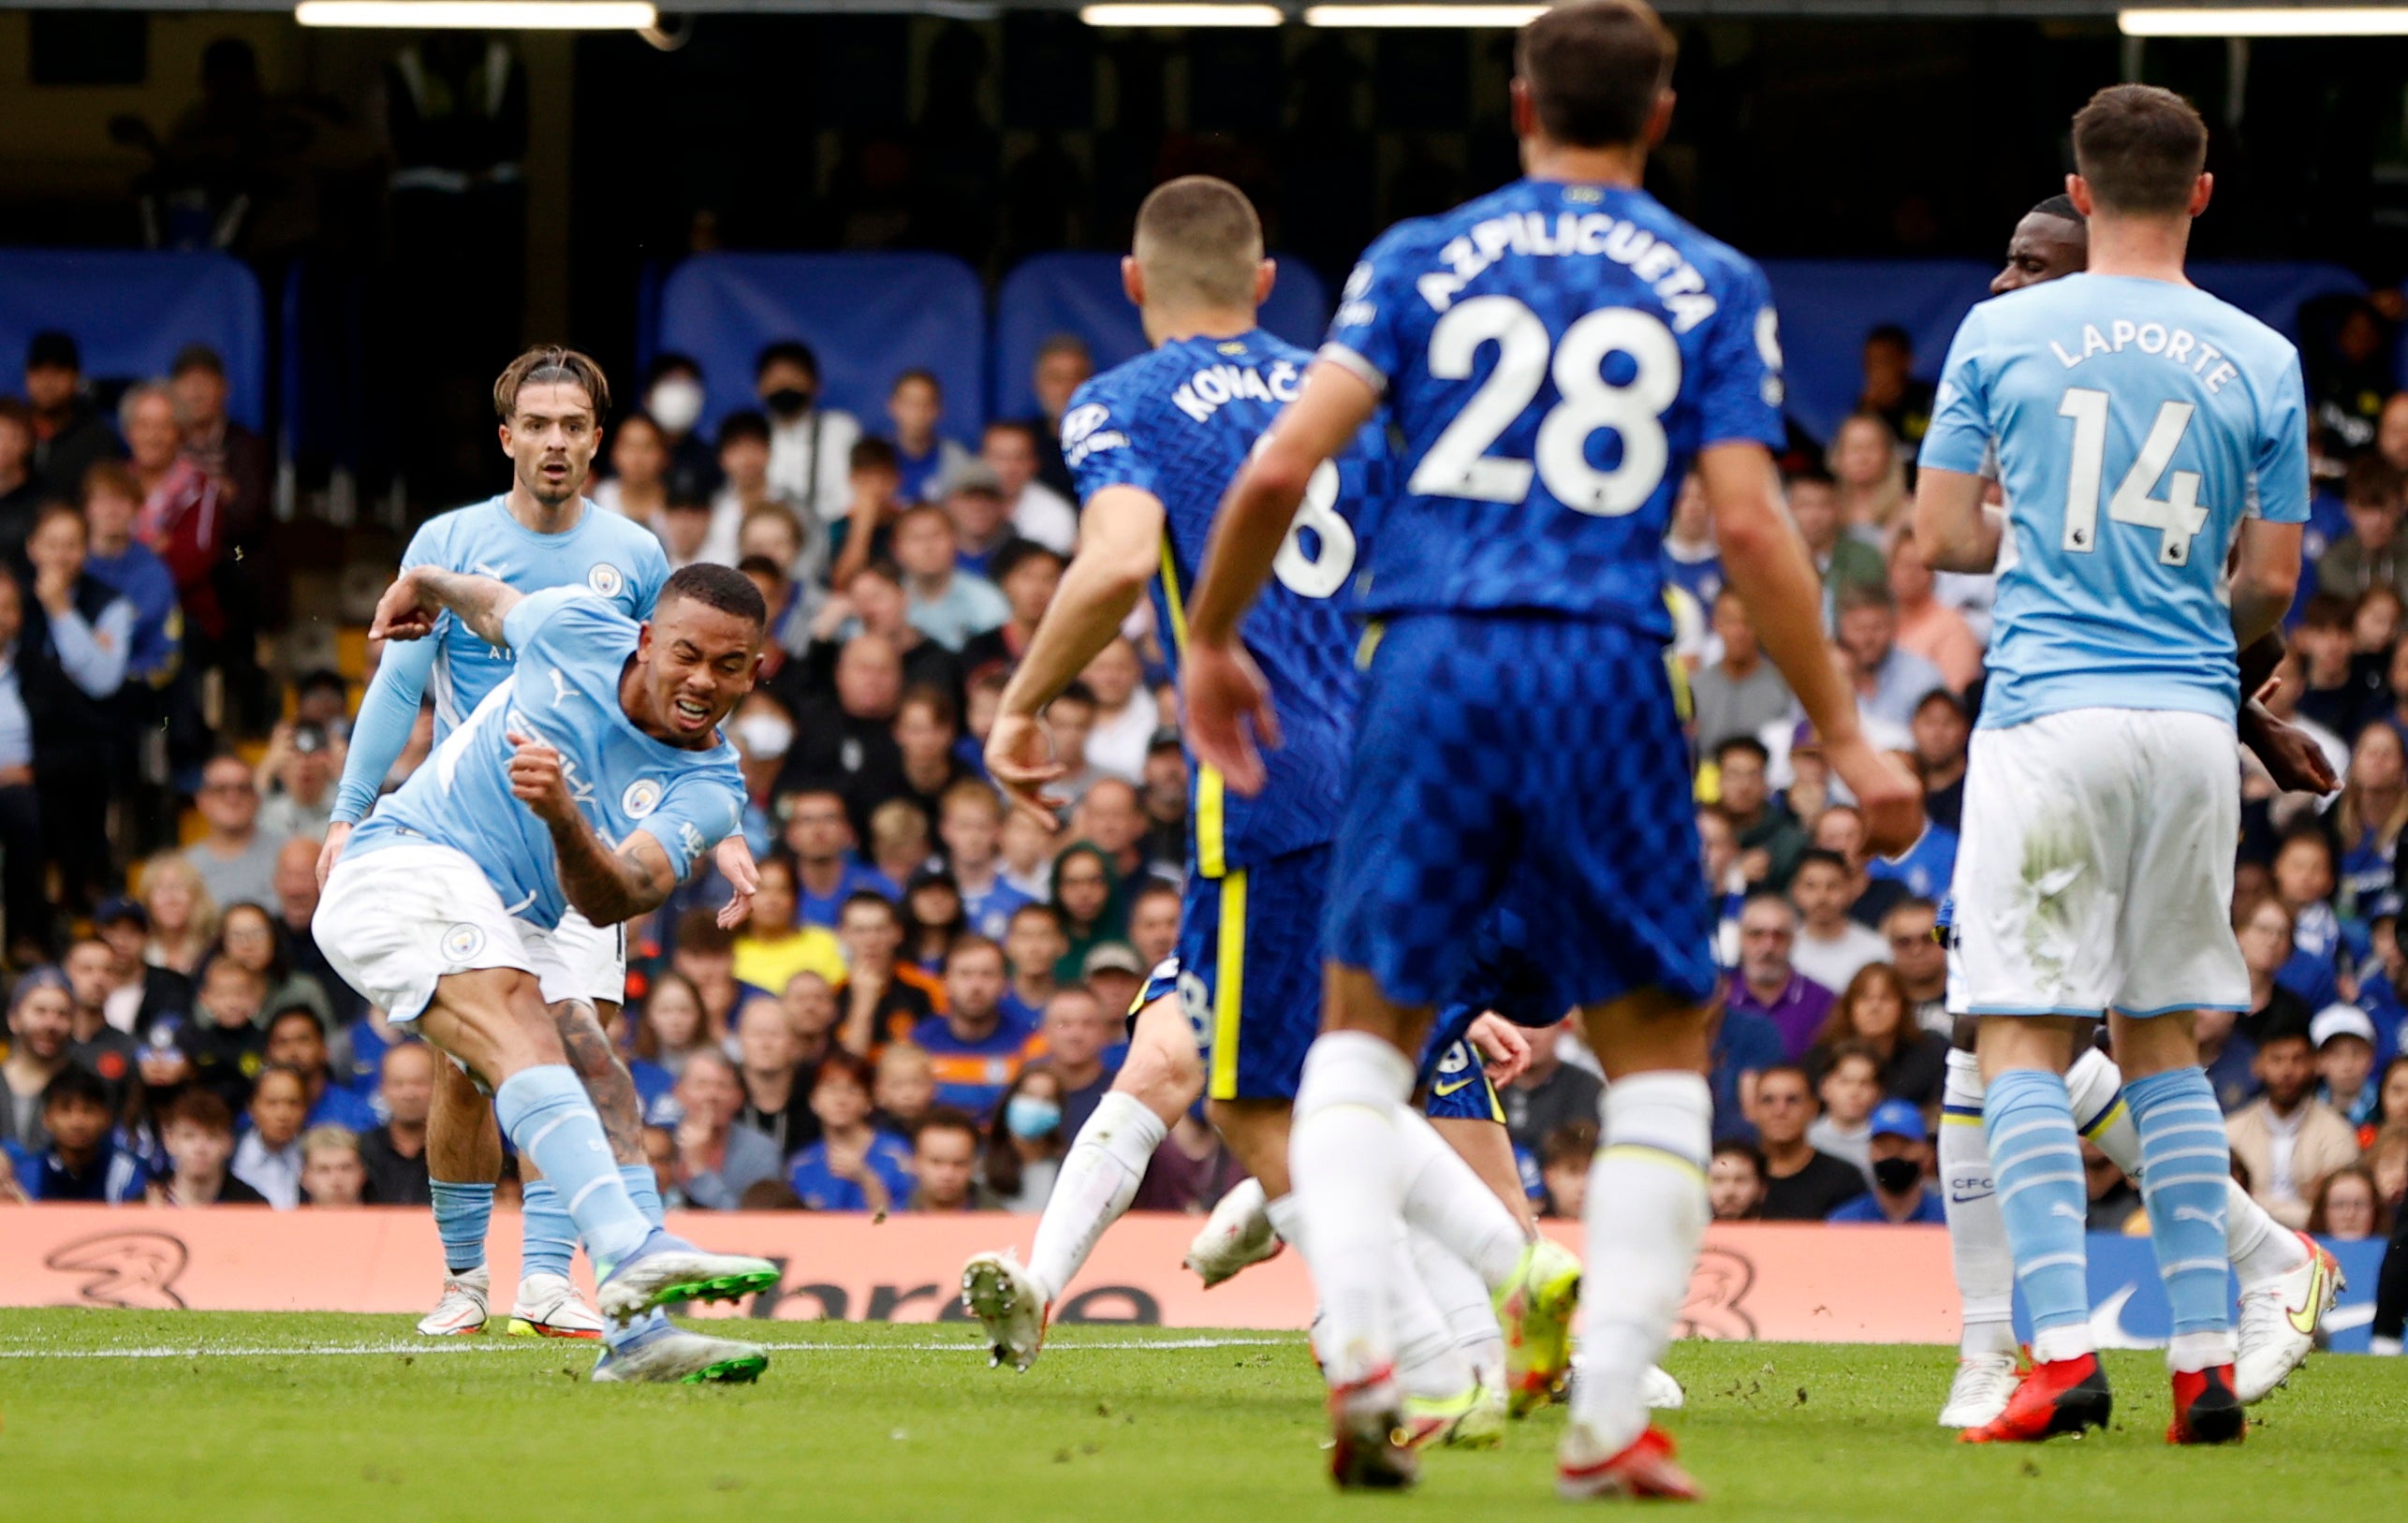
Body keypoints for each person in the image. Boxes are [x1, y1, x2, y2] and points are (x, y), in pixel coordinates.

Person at [1182, 12, 1920, 1492]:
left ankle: (1370, 1357)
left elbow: (1275, 462)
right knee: (1655, 1042)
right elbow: (1757, 524)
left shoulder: (1415, 255)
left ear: (1517, 102)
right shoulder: (1710, 280)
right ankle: (1610, 1419)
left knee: (1359, 1031)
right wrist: (1842, 729)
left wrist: (1210, 638)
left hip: (1431, 655)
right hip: (1600, 658)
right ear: (1660, 120)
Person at [961, 179, 1576, 1451]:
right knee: (1333, 1079)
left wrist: (1024, 701)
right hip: (1414, 773)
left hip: (1272, 787)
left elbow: (1123, 556)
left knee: (1250, 1097)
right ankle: (1501, 1293)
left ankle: (1433, 1342)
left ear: (1133, 287)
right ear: (1266, 280)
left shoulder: (1123, 402)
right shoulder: (1351, 395)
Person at [1912, 85, 2325, 1444]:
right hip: (2193, 725)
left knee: (2025, 1034)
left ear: (2077, 195)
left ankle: (2064, 1355)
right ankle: (2203, 1361)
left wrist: (2043, 538)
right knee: (2163, 1042)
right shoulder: (2261, 353)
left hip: (2052, 711)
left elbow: (1947, 543)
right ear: (2201, 193)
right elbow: (2268, 581)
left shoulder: (2001, 328)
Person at [318, 347, 755, 1357]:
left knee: (593, 1056)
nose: (695, 674)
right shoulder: (554, 613)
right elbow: (443, 643)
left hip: (555, 854)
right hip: (426, 851)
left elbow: (618, 888)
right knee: (507, 1045)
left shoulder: (640, 598)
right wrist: (348, 804)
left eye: (575, 425)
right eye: (539, 424)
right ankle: (499, 1272)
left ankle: (611, 1306)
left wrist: (600, 822)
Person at [2225, 1028, 2362, 1230]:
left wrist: (2255, 1203)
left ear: (2314, 1064)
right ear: (2258, 1065)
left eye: (2297, 1059)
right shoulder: (2231, 1130)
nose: (2287, 1071)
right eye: (2277, 1060)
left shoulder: (2338, 1132)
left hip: (2316, 1243)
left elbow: (2336, 1212)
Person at [912, 937, 1036, 1120]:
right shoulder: (917, 1043)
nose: (976, 986)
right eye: (965, 974)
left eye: (987, 975)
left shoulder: (1030, 1044)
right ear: (945, 984)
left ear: (1005, 984)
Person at [1807, 962, 1949, 1107]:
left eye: (1885, 998)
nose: (1874, 1007)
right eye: (1865, 998)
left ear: (1903, 1006)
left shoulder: (1930, 1053)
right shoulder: (1822, 1058)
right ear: (1849, 1007)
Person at [786, 1050, 913, 1211]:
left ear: (868, 1102)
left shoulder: (897, 1154)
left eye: (852, 1090)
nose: (841, 1100)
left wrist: (867, 1180)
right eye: (831, 1089)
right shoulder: (801, 1165)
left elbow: (887, 1223)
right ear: (814, 1101)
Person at [5, 1063, 147, 1202]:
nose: (77, 1122)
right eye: (65, 1110)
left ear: (107, 1118)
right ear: (47, 1119)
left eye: (88, 1110)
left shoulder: (125, 1171)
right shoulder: (29, 1173)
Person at [757, 340, 862, 528]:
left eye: (793, 377)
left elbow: (860, 495)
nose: (784, 385)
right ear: (760, 387)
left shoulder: (840, 430)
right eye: (776, 378)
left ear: (815, 384)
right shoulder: (752, 436)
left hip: (833, 534)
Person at [1751, 1064, 1872, 1222]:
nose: (1780, 1111)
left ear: (1813, 1108)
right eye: (1768, 1100)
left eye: (1792, 1100)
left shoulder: (1844, 1177)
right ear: (1754, 1109)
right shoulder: (1734, 1175)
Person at [668, 1048, 784, 1210]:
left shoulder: (761, 1151)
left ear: (738, 1097)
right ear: (679, 1092)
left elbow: (756, 1224)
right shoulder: (657, 1142)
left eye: (722, 1086)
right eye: (701, 1085)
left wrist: (699, 1169)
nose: (712, 1095)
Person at [1726, 894, 1837, 1062]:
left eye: (1779, 935)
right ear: (1740, 938)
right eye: (1756, 934)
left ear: (1793, 940)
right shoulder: (1718, 997)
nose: (1768, 946)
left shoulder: (1823, 1002)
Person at [23, 332, 123, 502]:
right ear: (27, 375)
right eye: (38, 371)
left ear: (76, 376)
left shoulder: (98, 440)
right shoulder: (13, 432)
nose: (47, 382)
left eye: (58, 371)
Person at [729, 855, 846, 996]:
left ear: (795, 899)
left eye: (782, 890)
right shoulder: (729, 950)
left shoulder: (824, 943)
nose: (772, 899)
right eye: (761, 889)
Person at [1691, 592, 1792, 754]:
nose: (1739, 632)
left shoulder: (1784, 688)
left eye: (1748, 622)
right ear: (1716, 624)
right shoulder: (1696, 687)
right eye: (1731, 621)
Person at [1827, 1100, 1945, 1223]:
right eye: (1884, 1147)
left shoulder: (1947, 1219)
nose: (1893, 1155)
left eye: (1904, 1146)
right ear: (1870, 1151)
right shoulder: (1845, 1221)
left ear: (1925, 1151)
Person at [149, 1087, 268, 1207]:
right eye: (189, 1136)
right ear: (170, 1140)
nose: (200, 1148)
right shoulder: (143, 1204)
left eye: (212, 1137)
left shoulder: (253, 1205)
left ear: (229, 1142)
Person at [980, 419, 1077, 556]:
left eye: (1019, 458)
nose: (1009, 468)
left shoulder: (1055, 513)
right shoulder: (959, 504)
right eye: (1000, 458)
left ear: (1034, 463)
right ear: (982, 459)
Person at [360, 1040, 435, 1207]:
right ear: (382, 1088)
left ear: (437, 1086)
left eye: (419, 1083)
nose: (409, 1094)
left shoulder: (458, 1153)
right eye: (398, 1084)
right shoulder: (361, 1151)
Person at [981, 1065, 1065, 1211]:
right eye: (1028, 1095)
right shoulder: (980, 1166)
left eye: (1047, 1099)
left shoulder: (1067, 1169)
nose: (1036, 1105)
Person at [886, 370, 975, 506]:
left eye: (926, 404)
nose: (919, 413)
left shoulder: (958, 461)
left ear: (939, 410)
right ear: (893, 407)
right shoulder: (875, 459)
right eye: (911, 404)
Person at [231, 1063, 309, 1208]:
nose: (283, 1115)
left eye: (293, 1103)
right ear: (251, 1108)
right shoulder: (230, 1152)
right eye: (272, 1103)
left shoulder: (312, 1154)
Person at [904, 1107, 990, 1210]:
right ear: (915, 1161)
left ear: (975, 1164)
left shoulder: (1002, 1220)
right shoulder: (894, 1217)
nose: (947, 1175)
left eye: (959, 1163)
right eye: (936, 1162)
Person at [299, 1126, 368, 1208]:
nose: (336, 1181)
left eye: (346, 1168)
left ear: (363, 1173)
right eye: (323, 1170)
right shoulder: (287, 1219)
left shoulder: (385, 1218)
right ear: (304, 1177)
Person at [1707, 1139, 1766, 1221]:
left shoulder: (1782, 1231)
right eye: (1718, 1180)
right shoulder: (1686, 1232)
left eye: (1741, 1180)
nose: (1729, 1191)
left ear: (1762, 1188)